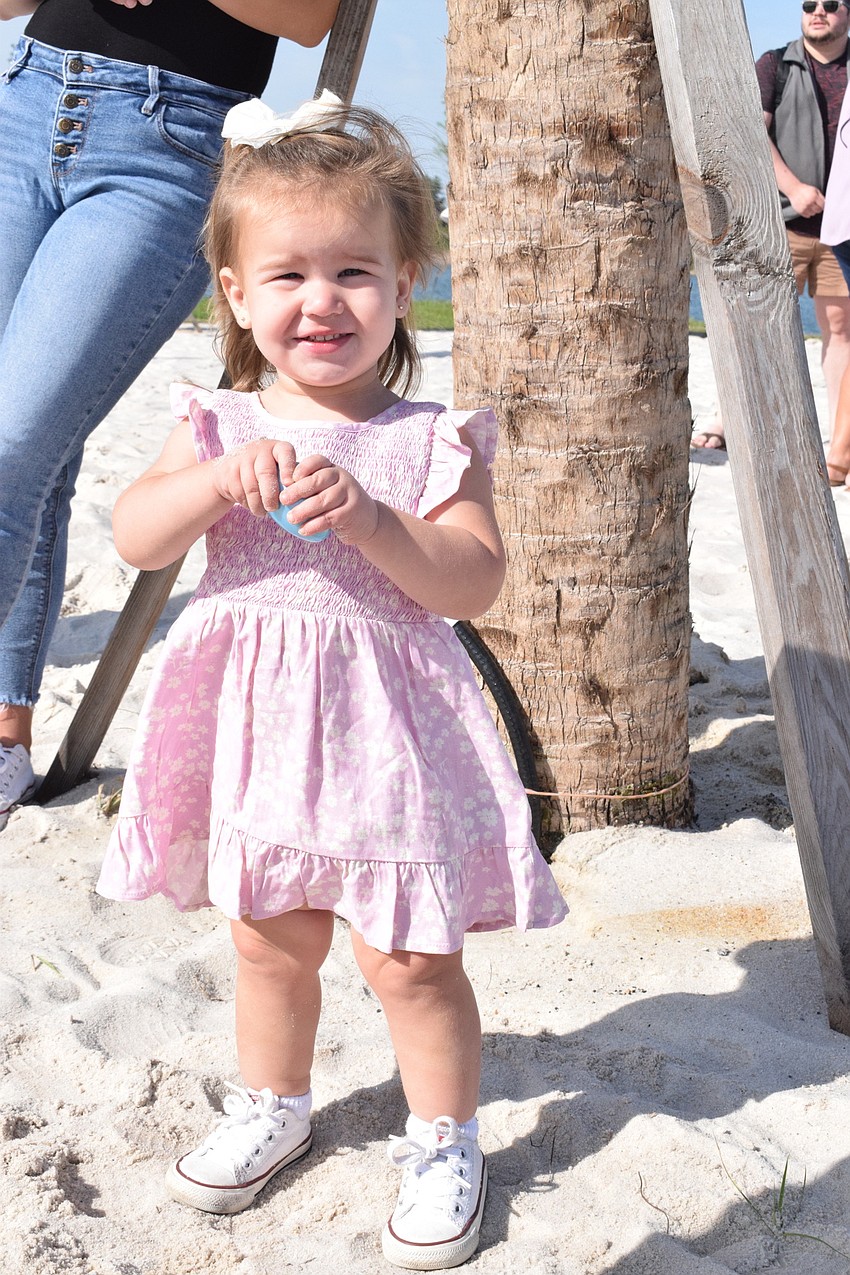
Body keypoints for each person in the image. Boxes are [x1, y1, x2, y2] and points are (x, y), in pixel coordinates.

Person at [95, 95, 568, 1269]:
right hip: (257, 726)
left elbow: (470, 583)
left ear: (408, 280)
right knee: (269, 936)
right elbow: (136, 538)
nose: (321, 302)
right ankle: (277, 1102)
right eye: (288, 274)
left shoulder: (431, 435)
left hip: (390, 734)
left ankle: (444, 1133)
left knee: (409, 957)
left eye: (354, 271)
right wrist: (211, 487)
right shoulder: (213, 421)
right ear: (237, 293)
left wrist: (370, 519)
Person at [0, 0, 340, 821]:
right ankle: (6, 732)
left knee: (10, 449)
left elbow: (308, 17)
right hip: (27, 98)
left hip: (168, 136)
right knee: (33, 455)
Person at [692, 0, 850, 451]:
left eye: (832, 4)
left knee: (840, 332)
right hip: (780, 223)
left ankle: (841, 446)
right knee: (758, 327)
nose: (818, 11)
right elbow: (754, 133)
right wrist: (795, 188)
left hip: (841, 231)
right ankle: (727, 423)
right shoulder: (776, 64)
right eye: (809, 4)